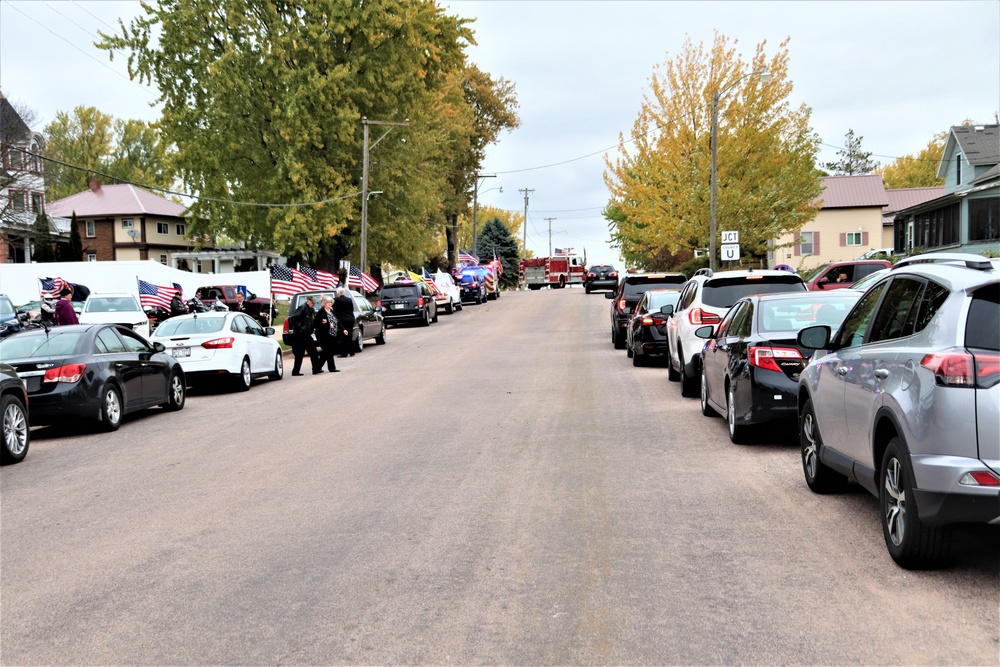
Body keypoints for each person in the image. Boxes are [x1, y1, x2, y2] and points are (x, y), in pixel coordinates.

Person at [287, 295, 323, 375]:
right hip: (300, 334)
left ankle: (300, 371)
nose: (313, 304)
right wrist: (301, 327)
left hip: (306, 334)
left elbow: (313, 319)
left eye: (314, 303)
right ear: (308, 301)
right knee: (308, 352)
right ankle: (312, 369)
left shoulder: (311, 309)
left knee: (306, 353)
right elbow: (293, 318)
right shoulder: (302, 308)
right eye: (312, 302)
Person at [313, 296, 340, 373]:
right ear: (324, 303)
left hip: (333, 334)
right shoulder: (321, 312)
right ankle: (319, 368)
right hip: (324, 335)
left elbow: (337, 320)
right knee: (327, 351)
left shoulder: (331, 311)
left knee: (329, 351)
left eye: (331, 302)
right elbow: (317, 324)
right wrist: (328, 325)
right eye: (328, 302)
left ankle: (318, 367)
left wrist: (343, 329)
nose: (330, 304)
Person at [332, 287, 356, 357]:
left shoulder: (336, 300)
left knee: (343, 336)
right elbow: (352, 309)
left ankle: (344, 353)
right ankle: (352, 352)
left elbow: (332, 307)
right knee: (349, 335)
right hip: (350, 319)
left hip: (342, 320)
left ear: (338, 293)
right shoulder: (349, 300)